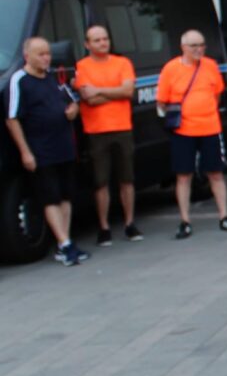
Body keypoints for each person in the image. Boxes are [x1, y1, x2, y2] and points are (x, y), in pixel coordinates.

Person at [4, 37, 89, 266]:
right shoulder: (19, 80)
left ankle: (66, 241)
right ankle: (64, 243)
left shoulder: (53, 78)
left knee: (66, 195)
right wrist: (26, 152)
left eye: (48, 53)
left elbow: (72, 101)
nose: (46, 58)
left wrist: (73, 110)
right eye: (40, 54)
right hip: (41, 149)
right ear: (27, 56)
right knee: (50, 197)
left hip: (64, 147)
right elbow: (12, 119)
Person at [156, 30, 227, 239]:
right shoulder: (171, 69)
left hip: (210, 128)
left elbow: (217, 93)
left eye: (201, 45)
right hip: (183, 130)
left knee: (216, 173)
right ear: (183, 47)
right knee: (183, 176)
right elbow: (161, 102)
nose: (198, 49)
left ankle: (224, 216)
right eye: (193, 45)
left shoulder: (210, 66)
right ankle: (185, 220)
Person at [73, 25, 142, 246]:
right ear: (87, 45)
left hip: (122, 127)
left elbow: (128, 92)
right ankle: (103, 227)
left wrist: (100, 90)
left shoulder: (122, 63)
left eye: (105, 39)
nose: (103, 43)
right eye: (97, 40)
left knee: (127, 179)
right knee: (100, 181)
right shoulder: (82, 66)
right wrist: (116, 92)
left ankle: (129, 223)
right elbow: (88, 98)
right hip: (96, 131)